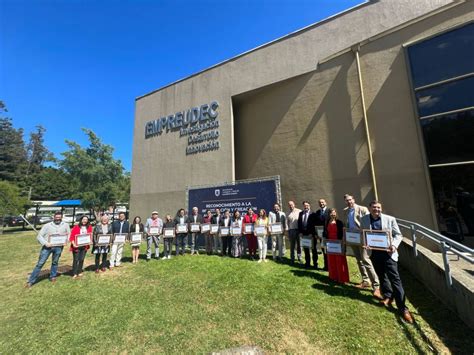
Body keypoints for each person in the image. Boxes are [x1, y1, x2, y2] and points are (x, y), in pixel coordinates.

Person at [361, 200, 414, 324]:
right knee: (382, 277)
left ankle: (403, 308)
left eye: (379, 208)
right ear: (369, 208)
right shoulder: (364, 219)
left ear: (381, 208)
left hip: (389, 254)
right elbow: (364, 234)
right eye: (374, 208)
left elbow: (398, 235)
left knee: (395, 280)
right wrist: (366, 244)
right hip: (374, 253)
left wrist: (394, 246)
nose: (376, 210)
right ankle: (388, 296)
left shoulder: (390, 219)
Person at [343, 194, 381, 298]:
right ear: (345, 202)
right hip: (353, 238)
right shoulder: (345, 210)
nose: (349, 202)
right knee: (359, 260)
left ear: (353, 199)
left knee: (366, 260)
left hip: (363, 238)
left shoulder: (362, 209)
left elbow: (369, 223)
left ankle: (376, 286)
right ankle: (365, 281)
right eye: (347, 200)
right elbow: (346, 224)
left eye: (350, 200)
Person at [26, 211, 71, 287]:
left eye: (59, 218)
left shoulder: (65, 225)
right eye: (56, 217)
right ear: (54, 217)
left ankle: (52, 276)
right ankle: (31, 281)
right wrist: (45, 243)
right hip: (47, 247)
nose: (58, 219)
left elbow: (69, 234)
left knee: (55, 262)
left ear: (61, 218)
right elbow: (39, 236)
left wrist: (66, 240)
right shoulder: (47, 225)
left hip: (58, 247)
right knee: (40, 263)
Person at [323, 208, 349, 283]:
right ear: (329, 214)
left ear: (336, 214)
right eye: (331, 213)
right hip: (330, 243)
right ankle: (333, 277)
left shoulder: (339, 222)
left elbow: (342, 234)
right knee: (331, 260)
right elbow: (325, 232)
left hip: (338, 243)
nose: (333, 214)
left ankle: (341, 278)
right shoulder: (326, 222)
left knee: (339, 261)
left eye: (334, 213)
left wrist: (342, 243)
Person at [298, 201, 317, 269]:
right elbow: (299, 223)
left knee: (313, 250)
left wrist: (312, 234)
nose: (306, 206)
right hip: (304, 235)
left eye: (307, 205)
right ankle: (307, 263)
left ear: (309, 206)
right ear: (303, 206)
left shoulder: (313, 214)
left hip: (311, 235)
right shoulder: (301, 213)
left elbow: (315, 225)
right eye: (305, 205)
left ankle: (315, 264)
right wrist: (300, 233)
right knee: (306, 249)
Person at [313, 198, 329, 271]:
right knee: (323, 250)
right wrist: (316, 233)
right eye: (320, 203)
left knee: (329, 251)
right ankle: (326, 266)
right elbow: (316, 224)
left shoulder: (329, 211)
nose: (321, 204)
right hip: (320, 235)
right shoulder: (317, 212)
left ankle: (330, 266)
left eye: (322, 202)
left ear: (325, 202)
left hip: (328, 235)